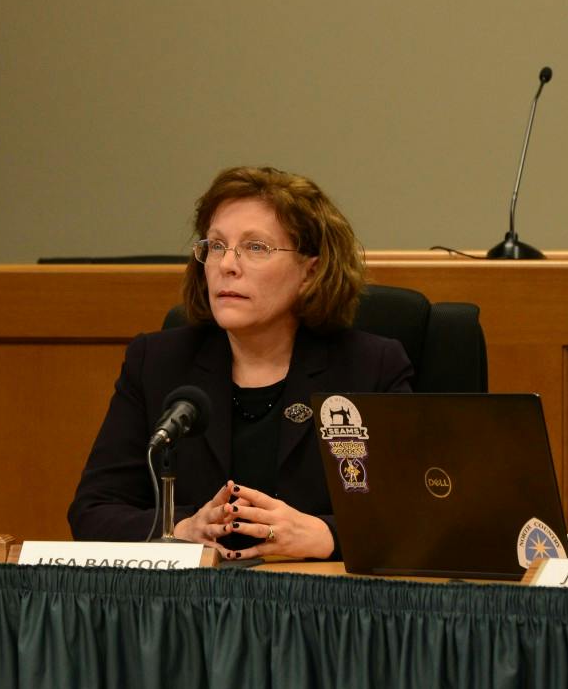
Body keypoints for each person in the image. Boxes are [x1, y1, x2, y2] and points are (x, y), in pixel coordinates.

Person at [68, 166, 413, 560]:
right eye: (216, 246)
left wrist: (326, 535)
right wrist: (178, 530)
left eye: (255, 248)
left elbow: (415, 514)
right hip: (194, 609)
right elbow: (93, 511)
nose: (227, 265)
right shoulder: (158, 363)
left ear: (310, 270)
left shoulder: (370, 367)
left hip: (322, 607)